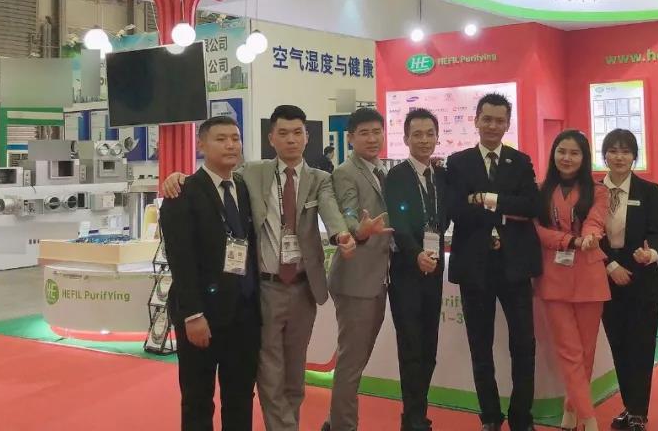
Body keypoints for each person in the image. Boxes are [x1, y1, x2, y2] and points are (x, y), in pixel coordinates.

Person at [161, 105, 386, 431]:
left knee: (283, 378)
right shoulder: (250, 174)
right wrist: (177, 176)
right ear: (271, 139)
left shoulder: (315, 179)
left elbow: (332, 212)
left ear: (307, 137)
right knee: (260, 378)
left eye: (297, 133)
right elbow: (184, 249)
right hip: (260, 292)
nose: (291, 140)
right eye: (283, 133)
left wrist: (344, 235)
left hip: (293, 293)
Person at [445, 93, 541, 431]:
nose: (492, 126)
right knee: (480, 347)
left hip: (515, 267)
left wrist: (486, 199)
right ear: (476, 120)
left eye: (500, 120)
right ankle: (489, 416)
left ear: (507, 124)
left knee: (524, 345)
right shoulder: (458, 162)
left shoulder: (520, 161)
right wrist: (504, 207)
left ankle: (521, 417)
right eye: (487, 119)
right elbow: (456, 210)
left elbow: (533, 206)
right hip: (475, 268)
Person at [159, 116, 260, 431]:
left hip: (244, 314)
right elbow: (180, 260)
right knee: (198, 399)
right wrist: (193, 315)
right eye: (221, 139)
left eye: (235, 138)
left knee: (240, 397)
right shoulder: (182, 192)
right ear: (201, 145)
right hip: (202, 315)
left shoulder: (243, 188)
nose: (231, 145)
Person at [533, 130, 609, 431]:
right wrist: (571, 241)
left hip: (589, 276)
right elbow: (538, 231)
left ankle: (571, 407)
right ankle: (589, 418)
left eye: (574, 153)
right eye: (561, 151)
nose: (567, 158)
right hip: (553, 277)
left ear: (584, 157)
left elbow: (595, 220)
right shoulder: (540, 190)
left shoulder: (598, 190)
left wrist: (590, 236)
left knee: (586, 352)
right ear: (553, 154)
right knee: (569, 350)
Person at [323, 108, 393, 431]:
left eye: (377, 132)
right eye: (364, 133)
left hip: (377, 279)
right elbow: (348, 213)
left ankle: (335, 421)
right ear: (350, 138)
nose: (372, 138)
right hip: (355, 280)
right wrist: (359, 230)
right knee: (351, 363)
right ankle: (343, 426)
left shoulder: (380, 170)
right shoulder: (345, 172)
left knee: (356, 361)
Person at [385, 108, 449, 431]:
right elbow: (397, 222)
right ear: (406, 138)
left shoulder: (441, 176)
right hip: (406, 273)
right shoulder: (397, 176)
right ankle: (413, 418)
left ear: (437, 136)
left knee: (429, 349)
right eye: (417, 134)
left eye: (429, 134)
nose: (424, 140)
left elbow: (443, 219)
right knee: (411, 347)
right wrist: (415, 254)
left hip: (434, 270)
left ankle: (416, 414)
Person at [599, 129, 658, 431]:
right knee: (619, 347)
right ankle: (629, 406)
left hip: (641, 277)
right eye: (613, 151)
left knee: (641, 347)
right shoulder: (594, 191)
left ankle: (639, 412)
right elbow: (591, 232)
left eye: (625, 151)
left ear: (634, 156)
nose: (619, 157)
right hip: (605, 276)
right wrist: (610, 265)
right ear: (605, 156)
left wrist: (650, 254)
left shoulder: (648, 190)